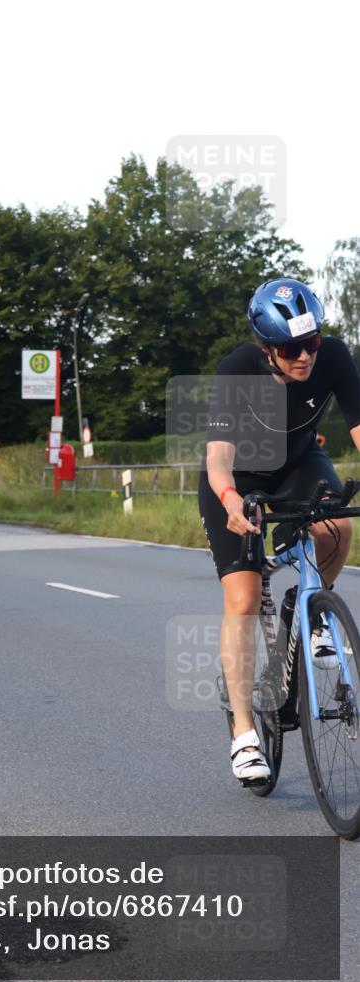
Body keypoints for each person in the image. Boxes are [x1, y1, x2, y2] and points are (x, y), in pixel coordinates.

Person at [198, 278, 360, 784]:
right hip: (238, 477)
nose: (305, 357)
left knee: (336, 526)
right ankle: (245, 733)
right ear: (267, 348)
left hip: (297, 461)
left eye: (310, 344)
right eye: (291, 349)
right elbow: (218, 459)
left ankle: (310, 611)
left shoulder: (332, 356)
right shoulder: (237, 370)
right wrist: (229, 500)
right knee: (243, 599)